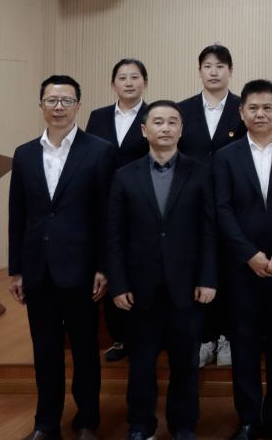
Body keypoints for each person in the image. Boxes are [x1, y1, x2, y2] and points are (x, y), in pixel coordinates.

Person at [8, 75, 115, 440]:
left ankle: (86, 422)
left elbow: (107, 216)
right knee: (45, 351)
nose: (59, 107)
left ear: (78, 106)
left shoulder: (99, 150)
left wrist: (104, 266)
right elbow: (18, 215)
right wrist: (16, 269)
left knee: (85, 349)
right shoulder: (24, 153)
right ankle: (46, 424)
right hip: (37, 269)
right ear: (41, 105)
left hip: (82, 269)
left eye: (67, 101)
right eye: (52, 101)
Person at [105, 100, 218, 440]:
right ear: (144, 130)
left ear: (181, 130)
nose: (165, 127)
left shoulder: (201, 172)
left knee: (186, 362)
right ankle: (141, 425)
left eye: (172, 121)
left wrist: (208, 278)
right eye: (158, 122)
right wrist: (118, 283)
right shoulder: (124, 176)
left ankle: (184, 425)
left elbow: (209, 231)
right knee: (141, 362)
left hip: (188, 286)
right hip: (140, 287)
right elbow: (114, 235)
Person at [215, 80, 272, 440]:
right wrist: (248, 254)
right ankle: (248, 419)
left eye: (267, 107)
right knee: (244, 344)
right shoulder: (226, 155)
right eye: (252, 108)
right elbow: (223, 210)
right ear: (241, 112)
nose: (260, 114)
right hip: (243, 268)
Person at [178, 43, 245, 367]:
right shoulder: (182, 110)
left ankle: (227, 337)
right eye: (208, 66)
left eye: (220, 66)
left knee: (231, 275)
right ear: (199, 71)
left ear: (230, 71)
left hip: (235, 204)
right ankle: (205, 339)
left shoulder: (244, 108)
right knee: (199, 272)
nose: (214, 72)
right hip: (192, 206)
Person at [85, 58, 150, 364]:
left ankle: (148, 335)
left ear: (145, 83)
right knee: (111, 265)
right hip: (105, 200)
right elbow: (87, 157)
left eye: (135, 77)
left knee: (141, 267)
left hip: (144, 201)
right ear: (113, 84)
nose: (128, 82)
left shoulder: (155, 115)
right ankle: (120, 338)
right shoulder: (98, 117)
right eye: (122, 77)